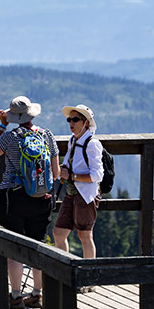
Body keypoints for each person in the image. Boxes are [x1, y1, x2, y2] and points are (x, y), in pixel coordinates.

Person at [0, 95, 60, 309]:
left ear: (14, 117)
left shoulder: (11, 137)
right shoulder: (47, 135)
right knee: (38, 244)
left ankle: (16, 296)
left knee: (14, 247)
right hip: (43, 197)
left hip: (14, 196)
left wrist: (2, 126)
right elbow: (55, 173)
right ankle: (37, 294)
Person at [53, 104, 104, 266]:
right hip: (72, 192)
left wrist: (72, 176)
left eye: (75, 120)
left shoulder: (92, 143)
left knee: (85, 235)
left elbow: (98, 175)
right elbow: (69, 162)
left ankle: (89, 277)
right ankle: (64, 272)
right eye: (69, 119)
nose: (71, 123)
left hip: (86, 195)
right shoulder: (73, 140)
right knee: (59, 233)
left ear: (86, 123)